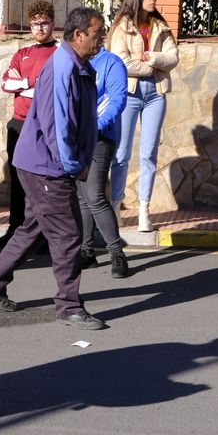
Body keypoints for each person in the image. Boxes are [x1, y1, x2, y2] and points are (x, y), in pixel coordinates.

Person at [0, 6, 110, 330]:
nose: (101, 38)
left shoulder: (77, 63)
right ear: (79, 35)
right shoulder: (62, 67)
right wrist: (74, 165)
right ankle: (69, 306)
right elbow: (56, 125)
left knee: (33, 227)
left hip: (45, 163)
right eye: (97, 33)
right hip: (48, 166)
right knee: (67, 234)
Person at [109, 0, 180, 232]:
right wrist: (150, 67)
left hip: (155, 94)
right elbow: (121, 62)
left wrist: (151, 57)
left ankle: (143, 212)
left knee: (149, 154)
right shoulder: (122, 26)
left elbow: (173, 57)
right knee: (121, 154)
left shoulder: (161, 25)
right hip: (129, 93)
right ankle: (116, 208)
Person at [0, 0, 59, 249]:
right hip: (19, 124)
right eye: (34, 24)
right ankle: (14, 229)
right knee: (17, 177)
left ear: (52, 24)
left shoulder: (59, 53)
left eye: (43, 23)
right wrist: (27, 84)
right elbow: (5, 84)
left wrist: (23, 83)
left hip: (44, 125)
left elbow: (49, 90)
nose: (39, 28)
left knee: (43, 180)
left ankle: (43, 234)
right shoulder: (22, 53)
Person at [77, 40, 131, 278]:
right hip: (76, 137)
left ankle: (117, 253)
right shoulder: (75, 60)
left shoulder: (112, 63)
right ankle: (86, 252)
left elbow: (116, 100)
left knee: (95, 195)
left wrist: (94, 126)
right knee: (81, 197)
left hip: (100, 137)